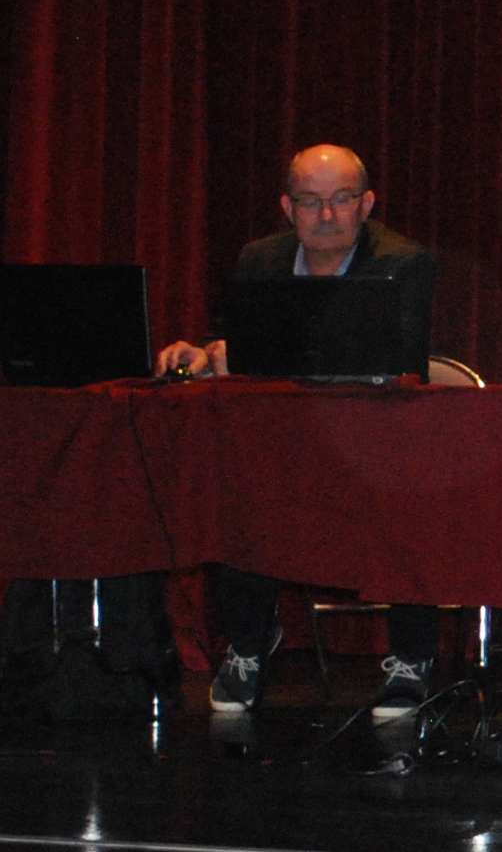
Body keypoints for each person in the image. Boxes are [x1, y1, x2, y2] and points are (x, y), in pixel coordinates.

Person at [154, 144, 443, 719]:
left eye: (341, 201)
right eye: (311, 202)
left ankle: (412, 658)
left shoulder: (402, 261)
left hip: (372, 444)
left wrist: (252, 357)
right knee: (233, 486)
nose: (327, 216)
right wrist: (200, 351)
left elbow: (397, 358)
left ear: (367, 205)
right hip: (280, 445)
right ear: (287, 207)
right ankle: (247, 647)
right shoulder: (259, 260)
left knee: (419, 494)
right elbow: (230, 342)